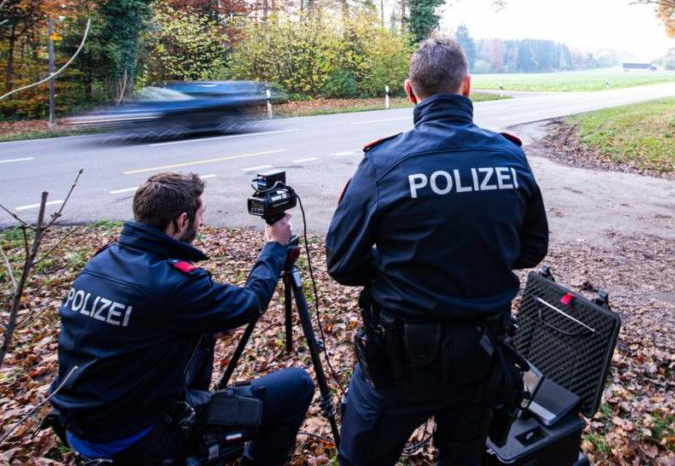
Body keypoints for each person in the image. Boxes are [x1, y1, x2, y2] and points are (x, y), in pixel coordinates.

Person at [326, 37, 549, 465]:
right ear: (466, 86)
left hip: (401, 362)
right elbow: (532, 249)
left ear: (411, 91)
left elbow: (342, 262)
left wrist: (399, 266)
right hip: (481, 354)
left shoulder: (383, 163)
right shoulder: (510, 156)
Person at [49, 172, 315, 465]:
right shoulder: (173, 282)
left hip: (78, 421)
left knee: (201, 335)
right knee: (297, 385)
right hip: (135, 437)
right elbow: (249, 304)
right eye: (200, 215)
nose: (202, 222)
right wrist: (275, 246)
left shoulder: (102, 261)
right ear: (181, 220)